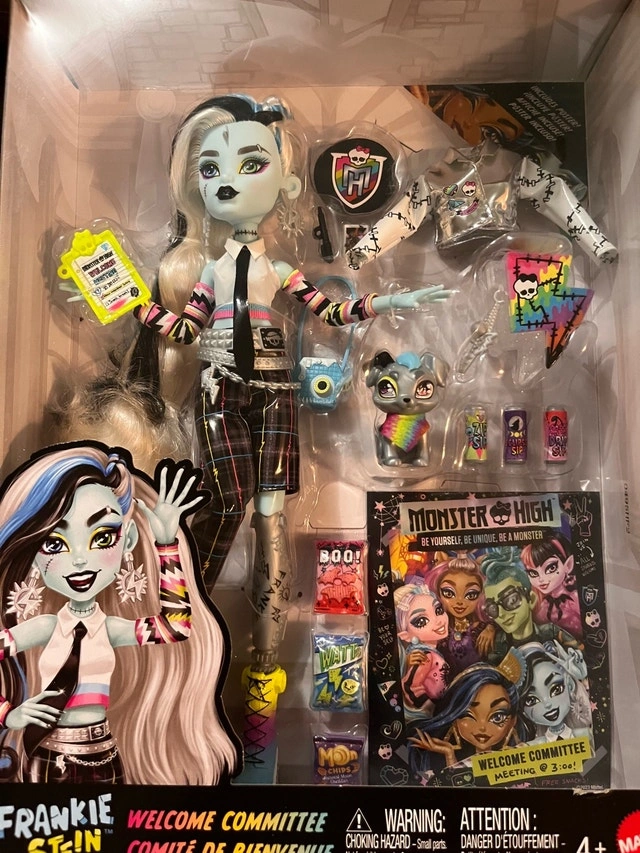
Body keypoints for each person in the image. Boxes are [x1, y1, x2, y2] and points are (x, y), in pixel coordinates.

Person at [0, 444, 239, 784]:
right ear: (34, 553)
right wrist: (9, 714)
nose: (79, 559)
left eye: (102, 537)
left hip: (104, 756)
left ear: (127, 541)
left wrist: (165, 543)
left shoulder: (108, 628)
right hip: (48, 755)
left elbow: (174, 628)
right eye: (54, 543)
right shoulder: (44, 627)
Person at [407, 659, 523, 786]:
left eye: (497, 717)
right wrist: (449, 755)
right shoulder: (449, 761)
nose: (482, 727)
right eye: (468, 715)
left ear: (513, 721)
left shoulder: (522, 761)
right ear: (455, 718)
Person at [480, 546, 581, 663]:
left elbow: (580, 659)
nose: (501, 614)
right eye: (493, 608)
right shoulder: (496, 645)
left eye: (511, 600)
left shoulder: (552, 633)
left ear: (531, 599)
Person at [428, 553, 495, 676]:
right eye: (449, 593)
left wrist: (492, 628)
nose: (459, 601)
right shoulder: (438, 628)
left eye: (471, 594)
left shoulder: (484, 629)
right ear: (438, 592)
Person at [394, 584, 450, 715]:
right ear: (405, 635)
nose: (438, 621)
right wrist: (429, 708)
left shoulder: (433, 652)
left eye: (438, 610)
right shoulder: (424, 656)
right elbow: (410, 687)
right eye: (421, 621)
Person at [520, 533, 582, 639]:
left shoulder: (575, 599)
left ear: (568, 565)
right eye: (533, 573)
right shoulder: (541, 606)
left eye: (551, 568)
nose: (541, 579)